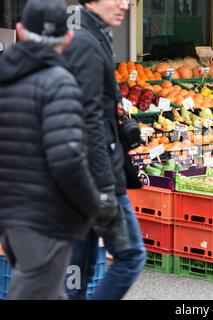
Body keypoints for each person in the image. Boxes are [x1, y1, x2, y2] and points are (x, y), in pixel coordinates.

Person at [0, 0, 101, 300]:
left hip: (10, 213)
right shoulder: (60, 83)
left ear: (20, 30)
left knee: (46, 290)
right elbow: (67, 160)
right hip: (45, 216)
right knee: (33, 290)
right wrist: (92, 205)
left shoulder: (5, 77)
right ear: (68, 37)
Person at [64, 0, 146, 300]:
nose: (126, 4)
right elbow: (86, 120)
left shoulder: (88, 33)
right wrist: (103, 186)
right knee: (131, 256)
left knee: (78, 269)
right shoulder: (85, 41)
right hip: (98, 177)